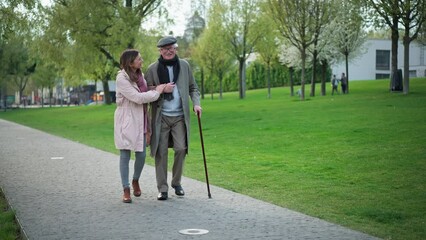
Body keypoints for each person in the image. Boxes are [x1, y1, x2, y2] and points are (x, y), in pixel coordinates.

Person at [145, 36, 202, 201]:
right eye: (165, 49)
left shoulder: (184, 65)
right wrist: (161, 89)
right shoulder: (152, 69)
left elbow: (193, 87)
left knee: (180, 149)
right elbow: (148, 90)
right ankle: (162, 189)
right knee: (160, 152)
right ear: (160, 51)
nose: (168, 51)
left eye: (171, 48)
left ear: (176, 49)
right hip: (160, 117)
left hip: (179, 116)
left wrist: (196, 104)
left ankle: (176, 183)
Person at [114, 49, 174, 203]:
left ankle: (135, 180)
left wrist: (160, 88)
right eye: (139, 59)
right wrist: (158, 92)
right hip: (126, 119)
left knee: (141, 154)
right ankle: (126, 189)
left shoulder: (140, 76)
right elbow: (138, 98)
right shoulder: (121, 78)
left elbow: (145, 91)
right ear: (130, 62)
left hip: (141, 118)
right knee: (125, 154)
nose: (141, 61)